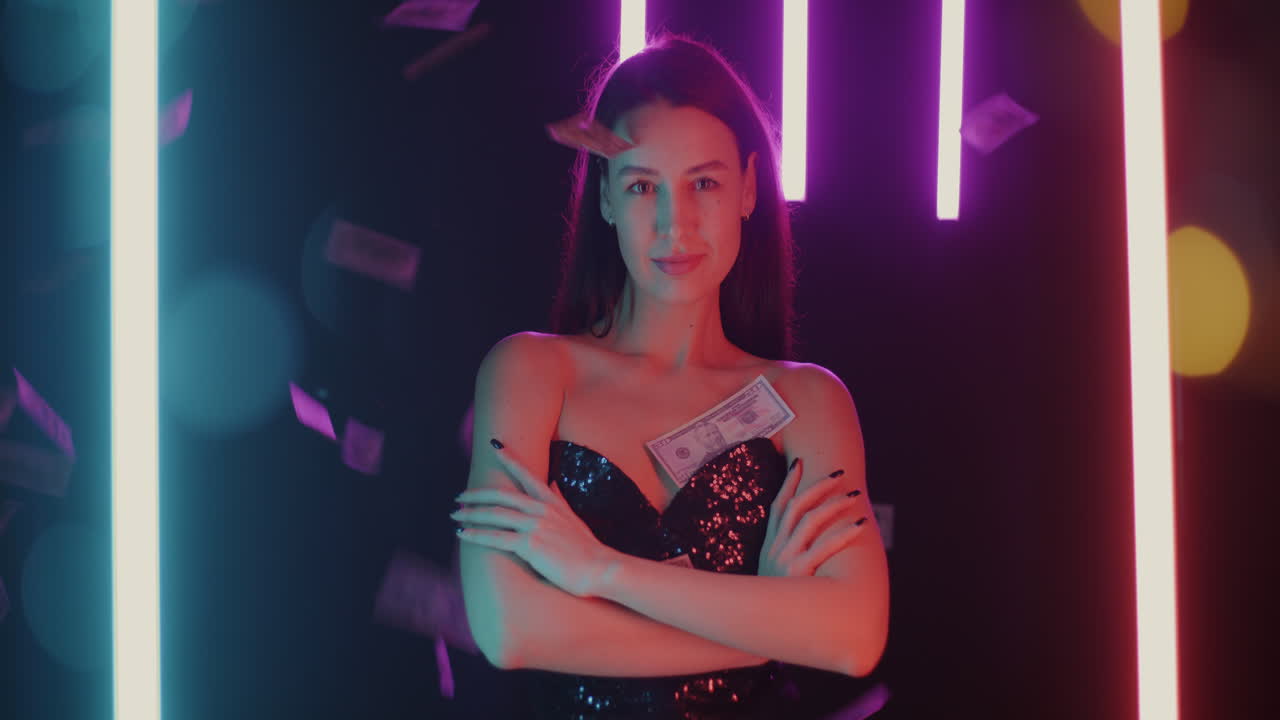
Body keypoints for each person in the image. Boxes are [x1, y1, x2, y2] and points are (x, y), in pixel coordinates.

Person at [453, 33, 890, 719]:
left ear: (748, 188)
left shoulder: (809, 401)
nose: (672, 224)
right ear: (605, 198)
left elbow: (855, 636)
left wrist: (601, 571)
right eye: (642, 185)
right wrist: (767, 628)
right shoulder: (531, 372)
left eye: (704, 183)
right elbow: (509, 630)